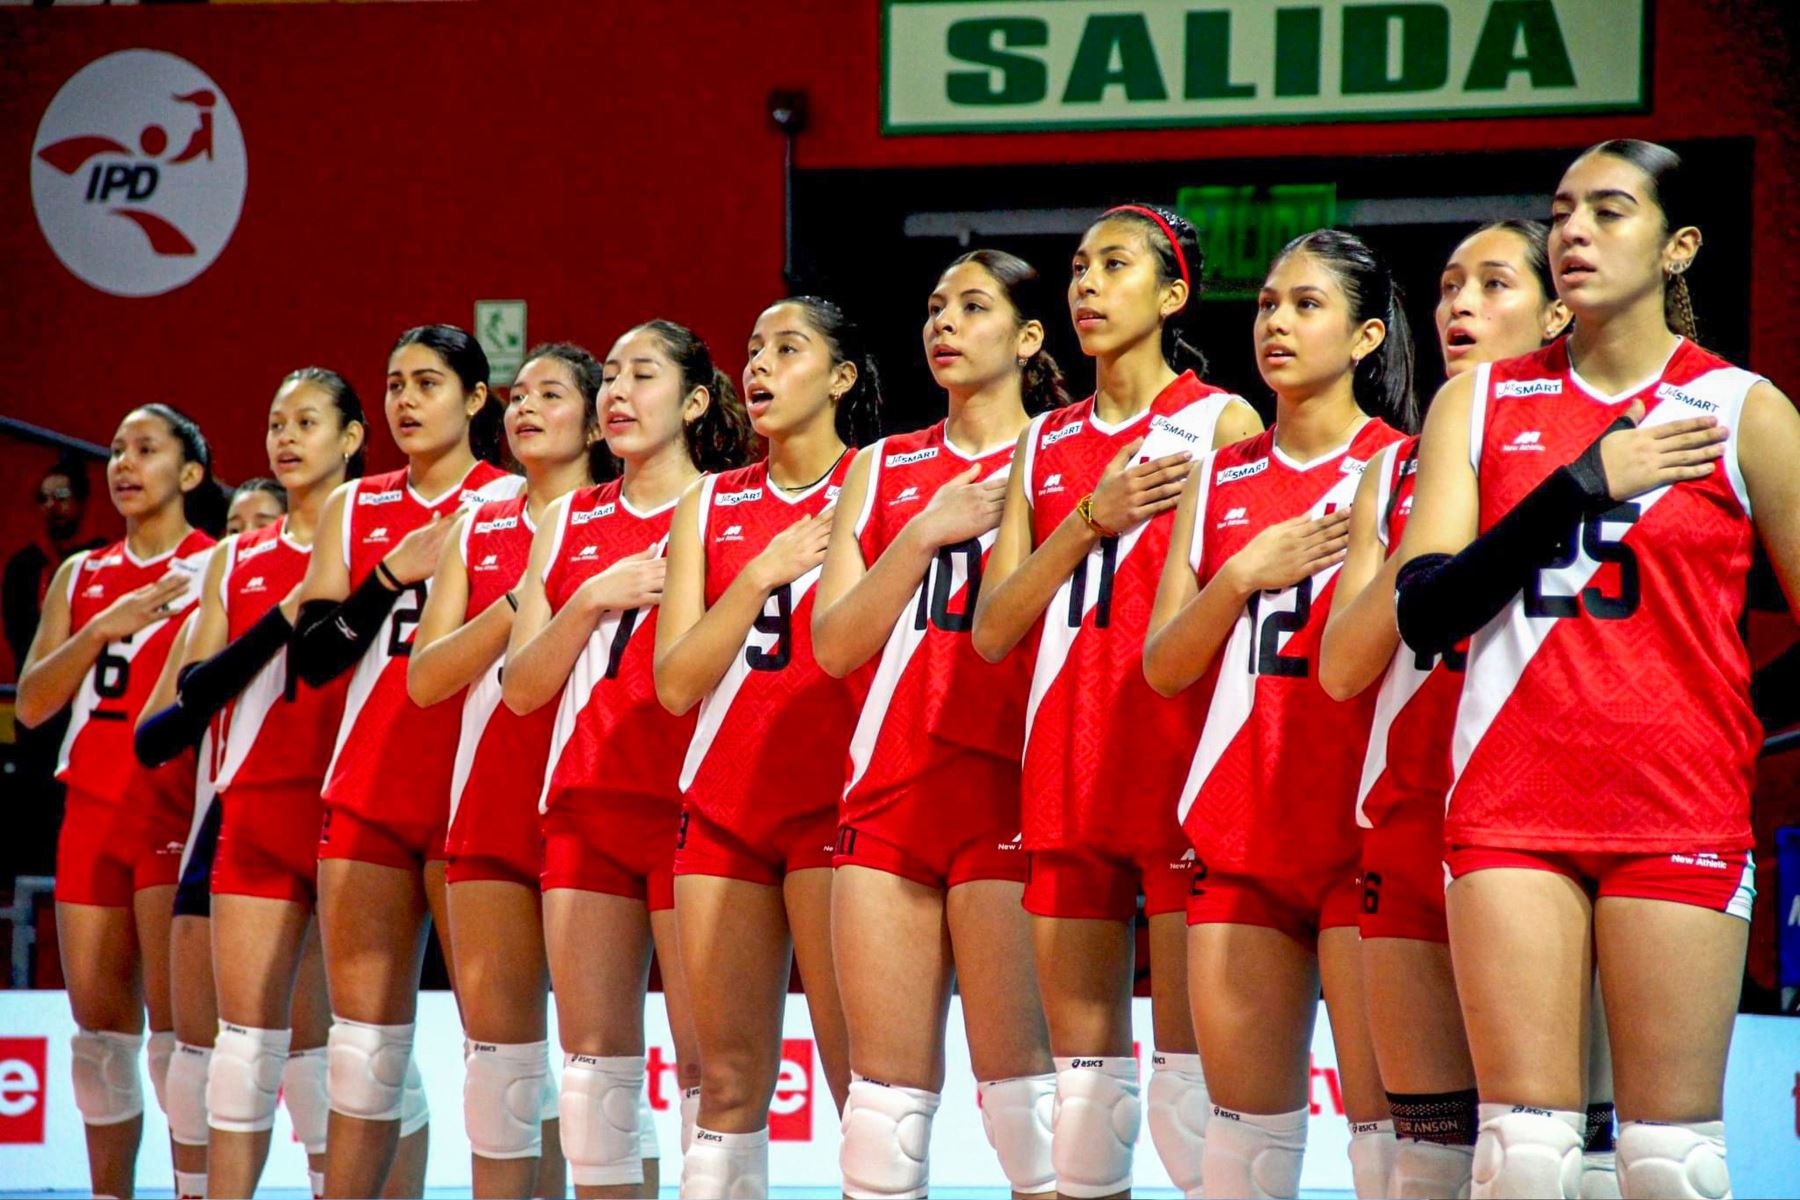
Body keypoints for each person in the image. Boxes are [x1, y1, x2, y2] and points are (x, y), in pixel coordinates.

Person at [1393, 138, 1799, 1199]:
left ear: (1680, 247)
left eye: (1609, 211)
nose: (1574, 231)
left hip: (1680, 814)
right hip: (1508, 809)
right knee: (1522, 1158)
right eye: (1563, 210)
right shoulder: (1475, 406)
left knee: (1671, 1165)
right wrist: (1582, 482)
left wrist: (1728, 721)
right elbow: (1426, 611)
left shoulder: (1744, 412)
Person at [970, 204, 1261, 1200]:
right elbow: (992, 627)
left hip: (1182, 768)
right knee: (1085, 1098)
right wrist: (1088, 522)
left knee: (1192, 1103)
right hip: (1066, 763)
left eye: (1117, 266)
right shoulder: (1041, 443)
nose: (1087, 283)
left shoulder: (1220, 420)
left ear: (1173, 293)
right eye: (1080, 267)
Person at [1143, 229, 1411, 1198]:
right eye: (1265, 304)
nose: (1277, 323)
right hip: (1239, 830)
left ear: (1367, 335)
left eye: (1306, 305)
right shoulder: (1222, 474)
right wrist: (1243, 577)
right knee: (1243, 1159)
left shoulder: (1411, 465)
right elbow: (1165, 665)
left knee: (1392, 1157)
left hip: (1360, 834)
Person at [1316, 220, 1572, 1198]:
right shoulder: (1395, 467)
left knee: (1556, 1157)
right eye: (1450, 284)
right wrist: (1436, 523)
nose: (1460, 303)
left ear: (1556, 312)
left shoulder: (1599, 449)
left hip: (1545, 816)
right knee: (1415, 1166)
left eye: (1493, 284)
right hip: (1407, 818)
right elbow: (1343, 668)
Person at [811, 250, 1065, 1198]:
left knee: (1030, 1117)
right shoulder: (881, 468)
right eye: (932, 307)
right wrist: (924, 527)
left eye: (972, 306)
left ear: (1029, 337)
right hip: (888, 790)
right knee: (881, 1124)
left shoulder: (1065, 455)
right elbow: (834, 645)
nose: (943, 324)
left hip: (1010, 788)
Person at [505, 322, 751, 1197]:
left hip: (694, 813)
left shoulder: (729, 506)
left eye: (641, 375)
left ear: (691, 401)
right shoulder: (569, 518)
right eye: (607, 376)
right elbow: (522, 687)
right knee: (592, 1085)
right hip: (584, 808)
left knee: (711, 1080)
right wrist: (590, 601)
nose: (615, 392)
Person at [654, 296, 879, 1197]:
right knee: (726, 1083)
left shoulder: (880, 480)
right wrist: (758, 572)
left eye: (788, 349)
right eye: (752, 350)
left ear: (840, 377)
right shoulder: (708, 502)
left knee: (861, 1088)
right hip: (721, 809)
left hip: (836, 807)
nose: (759, 366)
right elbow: (676, 681)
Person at [291, 326, 522, 1197]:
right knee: (362, 1049)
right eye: (393, 384)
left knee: (504, 1054)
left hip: (476, 786)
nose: (404, 400)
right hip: (370, 785)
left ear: (475, 399)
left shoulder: (514, 499)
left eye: (428, 382)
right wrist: (387, 576)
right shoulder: (354, 509)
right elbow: (313, 658)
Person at [136, 369, 369, 1198]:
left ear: (350, 439)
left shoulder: (380, 540)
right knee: (244, 1045)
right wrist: (287, 611)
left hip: (357, 811)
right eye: (276, 422)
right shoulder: (236, 559)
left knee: (352, 1051)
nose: (286, 436)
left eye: (308, 421)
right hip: (257, 806)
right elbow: (186, 700)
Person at [408, 343, 610, 1198]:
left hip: (598, 800)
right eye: (517, 394)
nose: (524, 407)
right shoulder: (481, 525)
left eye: (550, 394)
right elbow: (426, 677)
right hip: (489, 800)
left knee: (603, 1078)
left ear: (598, 420)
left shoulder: (635, 516)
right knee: (501, 1078)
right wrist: (519, 603)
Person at [16, 404, 216, 1199]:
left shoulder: (222, 563)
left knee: (176, 1042)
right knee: (99, 1041)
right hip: (89, 812)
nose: (123, 464)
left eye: (146, 448)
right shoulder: (80, 575)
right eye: (116, 450)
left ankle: (194, 1190)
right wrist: (103, 626)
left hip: (171, 808)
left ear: (190, 474)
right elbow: (33, 704)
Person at [135, 476, 292, 1198]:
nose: (249, 535)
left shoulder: (335, 578)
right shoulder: (228, 594)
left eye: (266, 521)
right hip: (225, 817)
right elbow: (159, 732)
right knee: (196, 1055)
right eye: (238, 524)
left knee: (344, 1059)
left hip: (318, 815)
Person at [4, 456, 106, 672]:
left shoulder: (103, 557)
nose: (52, 506)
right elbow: (17, 633)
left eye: (61, 496)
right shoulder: (23, 565)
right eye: (44, 498)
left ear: (80, 501)